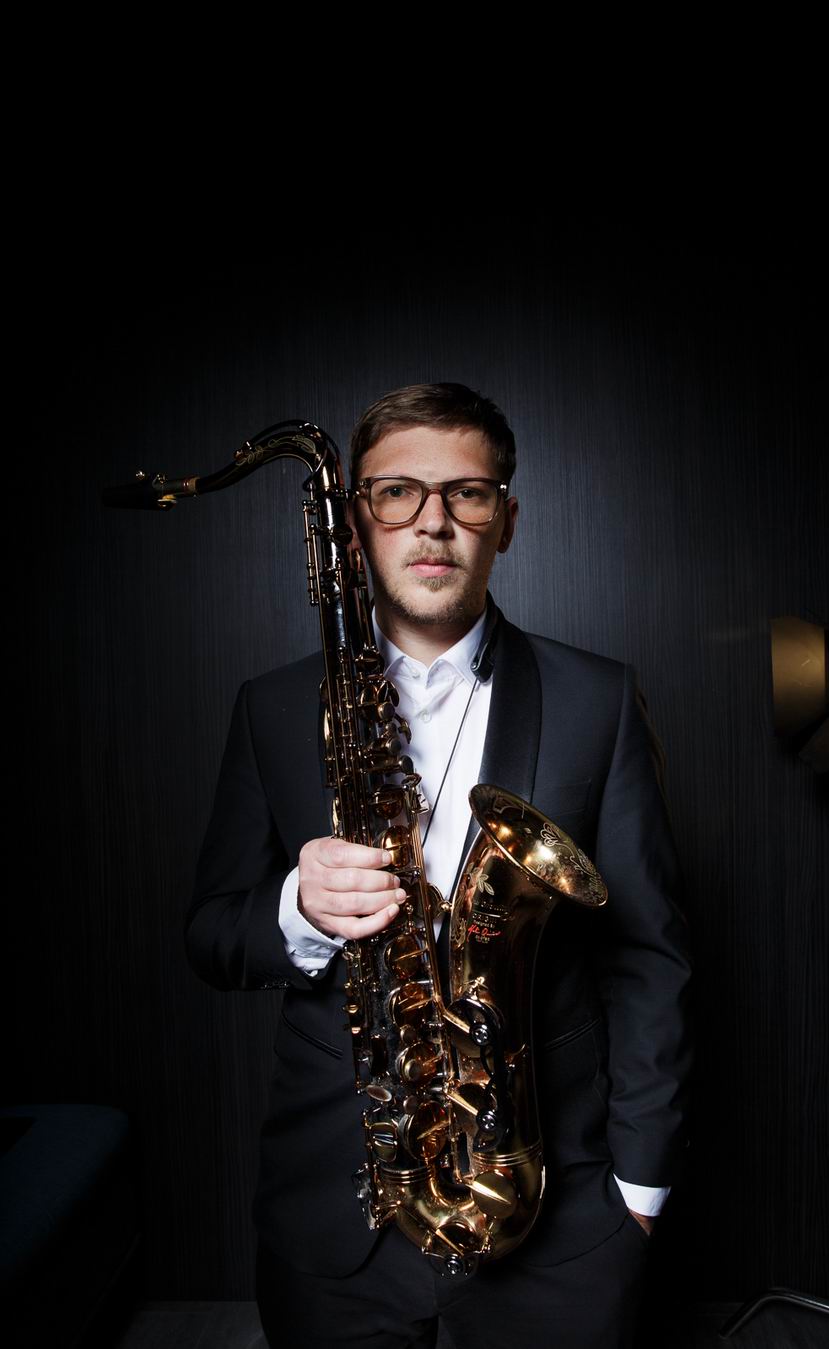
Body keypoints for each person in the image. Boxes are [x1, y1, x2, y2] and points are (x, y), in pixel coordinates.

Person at [186, 383, 691, 1349]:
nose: (433, 522)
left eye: (467, 492)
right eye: (397, 493)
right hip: (335, 1222)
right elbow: (209, 931)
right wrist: (297, 908)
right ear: (354, 524)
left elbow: (650, 957)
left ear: (508, 518)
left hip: (560, 1220)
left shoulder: (599, 698)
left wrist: (640, 1191)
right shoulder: (270, 708)